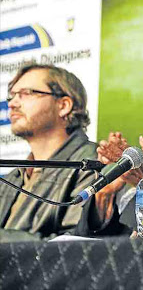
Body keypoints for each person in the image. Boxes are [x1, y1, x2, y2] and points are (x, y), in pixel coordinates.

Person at [0, 63, 97, 239]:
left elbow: (73, 246)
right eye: (12, 96)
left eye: (26, 93)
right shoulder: (13, 177)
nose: (13, 104)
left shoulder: (92, 163)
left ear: (64, 105)